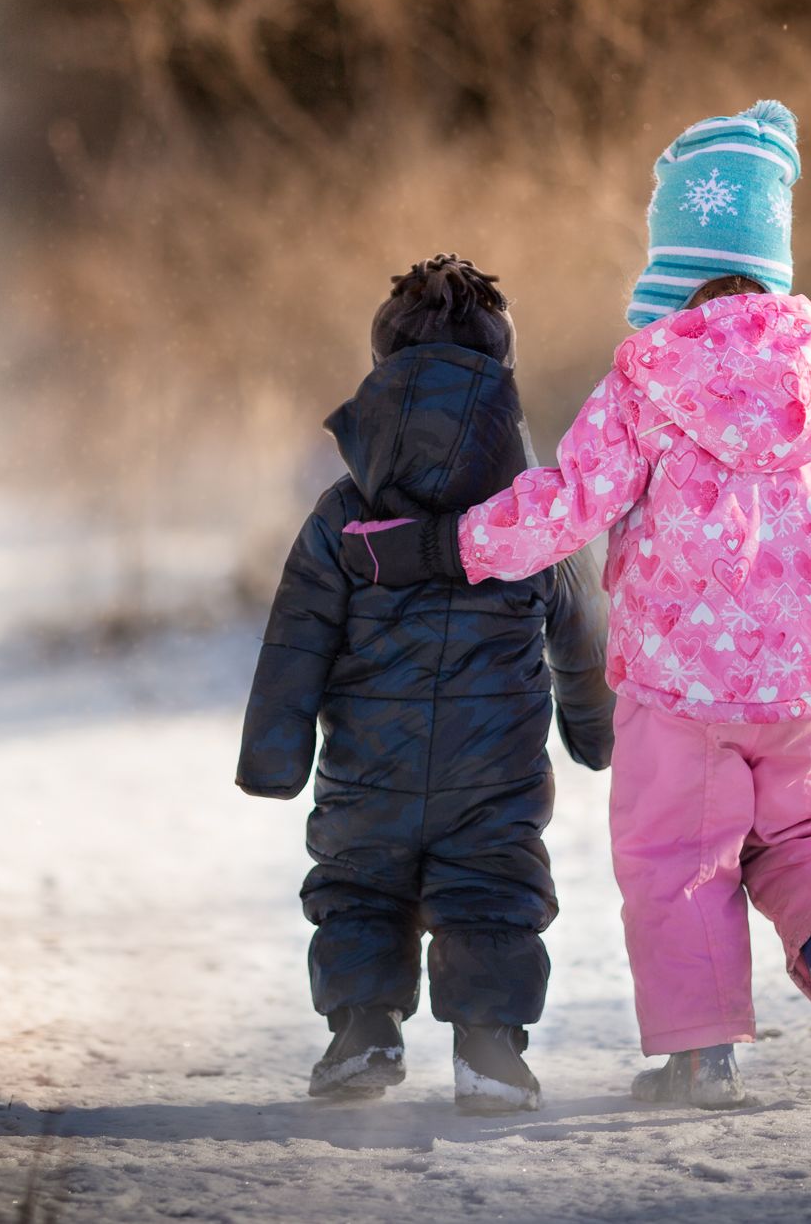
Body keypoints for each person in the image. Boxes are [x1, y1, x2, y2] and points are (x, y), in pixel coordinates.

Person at [337, 103, 811, 1106]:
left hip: (679, 691)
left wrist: (444, 545)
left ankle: (699, 1059)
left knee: (678, 866)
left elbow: (564, 509)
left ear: (672, 262)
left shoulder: (647, 377)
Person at [237, 254, 614, 1113]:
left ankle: (362, 1028)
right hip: (494, 778)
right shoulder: (533, 511)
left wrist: (275, 757)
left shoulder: (343, 514)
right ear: (503, 379)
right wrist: (597, 733)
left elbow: (296, 641)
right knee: (492, 893)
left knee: (361, 889)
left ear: (382, 376)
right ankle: (488, 1049)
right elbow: (583, 637)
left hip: (370, 772)